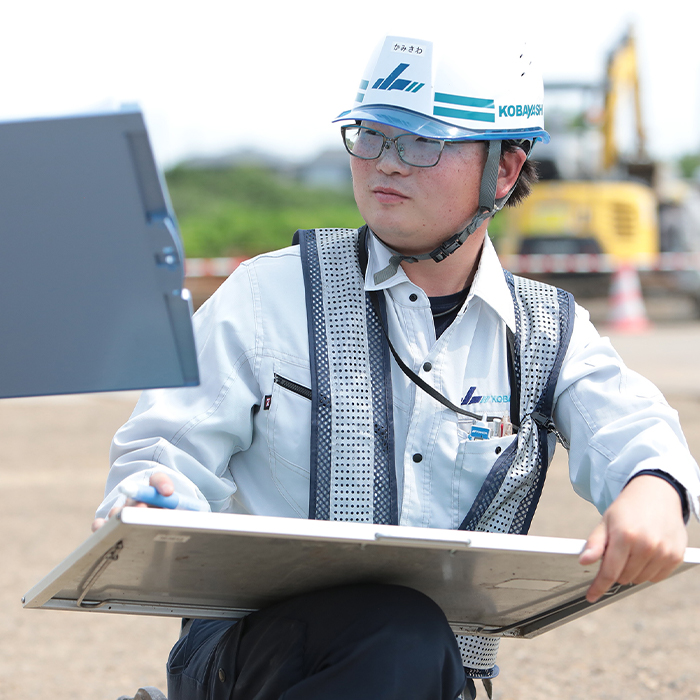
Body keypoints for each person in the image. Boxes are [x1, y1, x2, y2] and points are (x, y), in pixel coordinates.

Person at [94, 34, 700, 700]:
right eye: (372, 136)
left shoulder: (547, 332)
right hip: (247, 657)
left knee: (410, 640)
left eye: (421, 143)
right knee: (399, 631)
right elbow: (164, 455)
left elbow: (633, 425)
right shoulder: (267, 297)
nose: (386, 164)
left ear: (503, 169)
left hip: (430, 673)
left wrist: (655, 491)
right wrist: (153, 497)